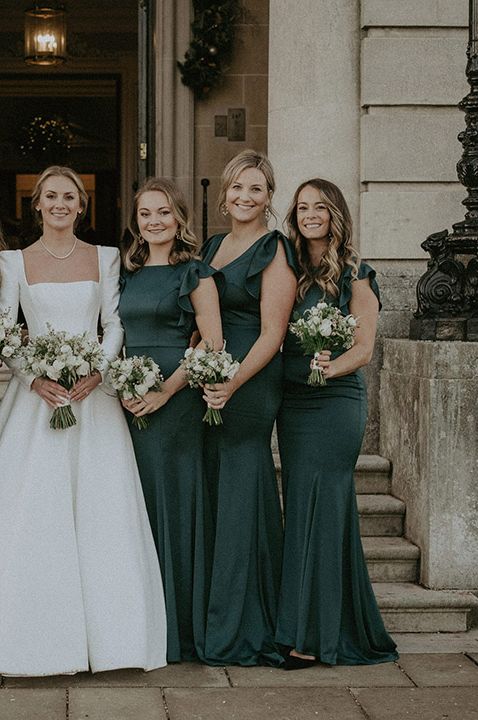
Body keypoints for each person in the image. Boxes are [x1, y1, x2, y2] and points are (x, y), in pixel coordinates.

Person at [0, 166, 167, 676]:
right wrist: (34, 379)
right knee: (35, 511)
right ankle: (35, 641)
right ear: (37, 204)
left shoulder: (106, 257)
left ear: (82, 205)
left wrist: (98, 370)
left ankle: (113, 640)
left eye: (69, 196)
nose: (59, 204)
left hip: (92, 400)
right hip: (39, 402)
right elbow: (6, 329)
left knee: (101, 511)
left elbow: (113, 320)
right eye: (50, 196)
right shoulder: (13, 262)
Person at [275, 178, 398, 669]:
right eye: (302, 207)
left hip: (334, 403)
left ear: (335, 214)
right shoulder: (288, 267)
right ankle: (309, 626)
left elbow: (364, 347)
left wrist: (328, 367)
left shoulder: (356, 274)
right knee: (301, 507)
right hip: (293, 406)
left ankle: (315, 638)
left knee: (325, 512)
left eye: (319, 207)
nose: (309, 214)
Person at [119, 177, 223, 663]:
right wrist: (123, 385)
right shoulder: (129, 273)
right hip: (130, 398)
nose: (154, 221)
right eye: (145, 214)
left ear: (179, 217)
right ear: (136, 221)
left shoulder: (196, 273)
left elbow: (212, 341)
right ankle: (139, 625)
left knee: (175, 505)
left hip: (175, 403)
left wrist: (166, 390)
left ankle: (179, 632)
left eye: (163, 212)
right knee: (135, 508)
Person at [200, 149, 297, 666]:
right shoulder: (214, 246)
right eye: (238, 186)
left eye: (256, 189)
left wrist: (232, 383)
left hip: (250, 381)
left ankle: (244, 627)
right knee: (218, 491)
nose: (245, 196)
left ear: (268, 197)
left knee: (241, 490)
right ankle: (218, 617)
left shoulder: (274, 249)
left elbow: (273, 334)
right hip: (213, 378)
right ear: (225, 192)